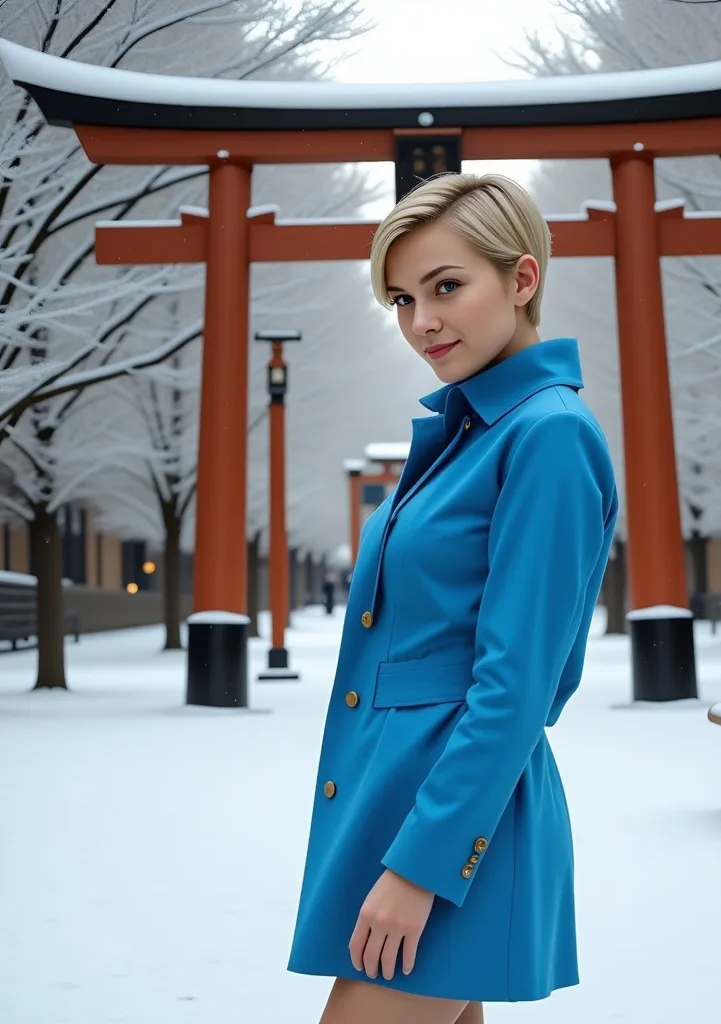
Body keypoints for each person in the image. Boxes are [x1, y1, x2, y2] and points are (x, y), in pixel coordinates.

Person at [287, 173, 619, 1024]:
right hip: (404, 805)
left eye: (446, 287)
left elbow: (518, 686)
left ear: (521, 280)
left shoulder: (546, 435)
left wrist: (423, 867)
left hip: (456, 824)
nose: (421, 321)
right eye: (401, 298)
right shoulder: (470, 433)